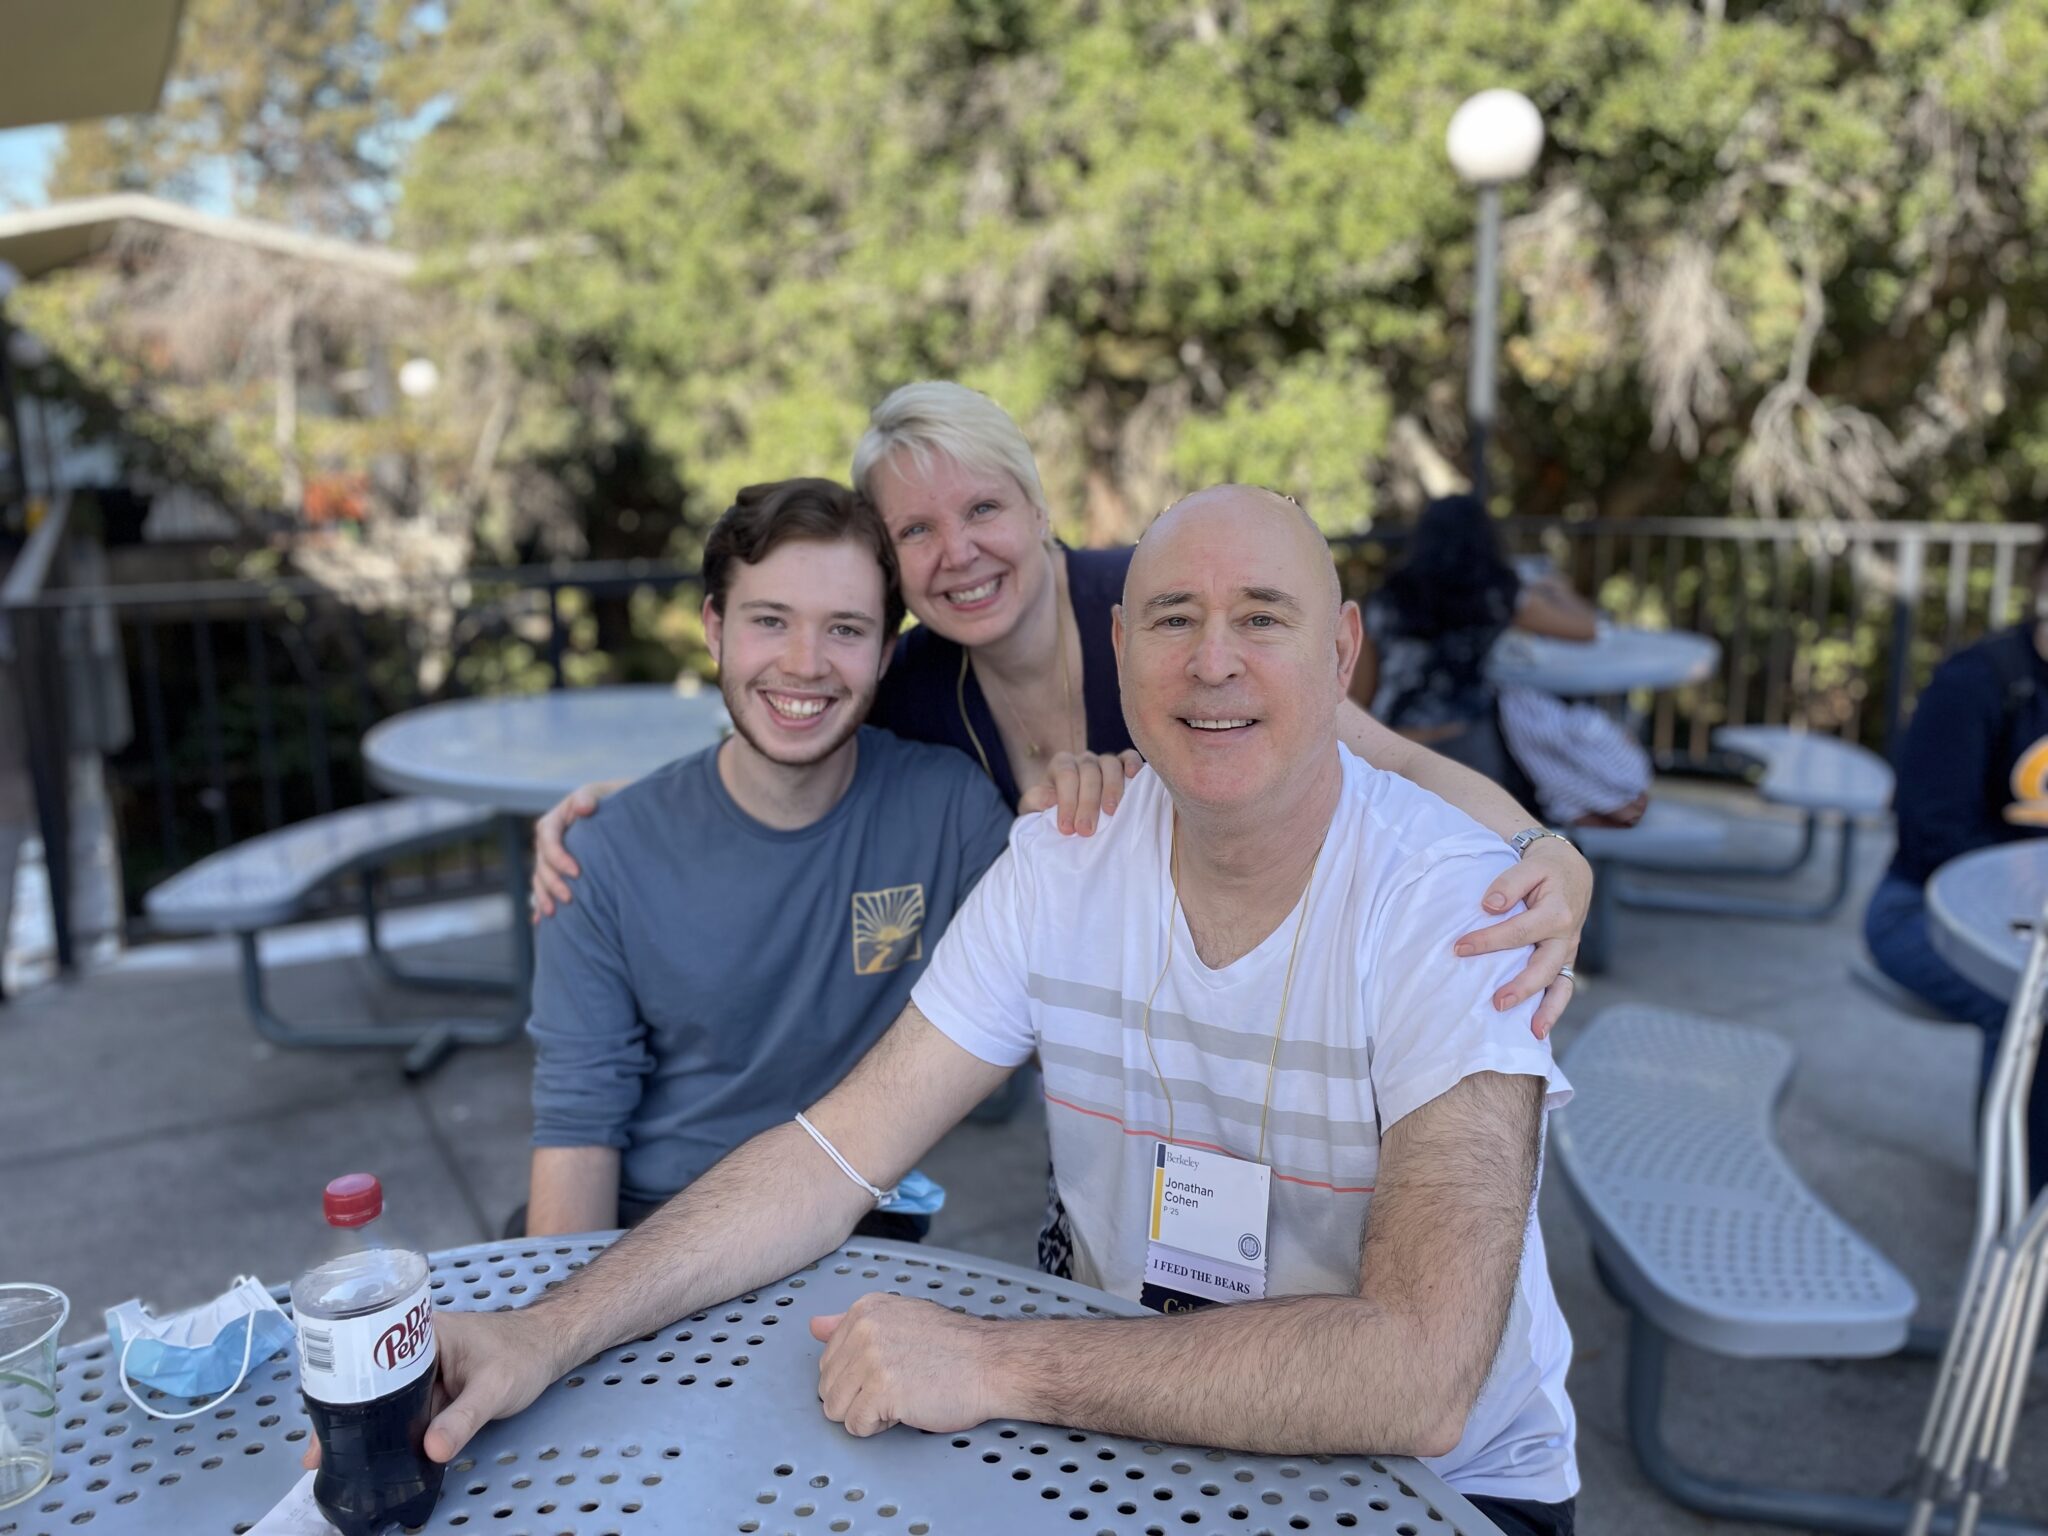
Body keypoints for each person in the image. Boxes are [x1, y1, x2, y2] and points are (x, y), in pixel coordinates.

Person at [318, 486, 1579, 1536]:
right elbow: (826, 1159)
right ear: (1120, 649)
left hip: (1430, 1491)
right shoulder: (1061, 860)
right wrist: (547, 1332)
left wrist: (995, 1362)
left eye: (1263, 618)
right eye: (1172, 619)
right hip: (1138, 1429)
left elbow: (1420, 1373)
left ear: (1343, 649)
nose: (1213, 660)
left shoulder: (1461, 907)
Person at [536, 384, 1593, 1038]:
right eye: (916, 531)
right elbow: (782, 755)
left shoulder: (1156, 607)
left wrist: (1545, 846)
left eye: (983, 508)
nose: (958, 552)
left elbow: (1387, 758)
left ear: (1038, 510)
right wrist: (617, 817)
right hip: (1093, 1037)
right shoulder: (910, 682)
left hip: (1269, 986)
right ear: (894, 567)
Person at [517, 478, 1017, 1238]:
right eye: (770, 621)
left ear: (887, 651)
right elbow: (577, 1128)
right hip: (648, 1222)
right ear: (715, 629)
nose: (804, 662)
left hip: (850, 1215)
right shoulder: (602, 854)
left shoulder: (950, 813)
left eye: (845, 629)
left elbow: (1070, 1016)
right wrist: (558, 1329)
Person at [1865, 539, 2048, 1195]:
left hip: (2033, 924)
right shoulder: (1979, 680)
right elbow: (1931, 832)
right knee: (2039, 1005)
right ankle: (2019, 1219)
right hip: (1922, 911)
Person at [1352, 494, 1645, 828]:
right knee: (1482, 844)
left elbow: (1362, 693)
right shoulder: (1494, 594)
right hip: (1467, 743)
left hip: (1395, 742)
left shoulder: (1385, 598)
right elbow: (1589, 628)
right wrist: (1557, 588)